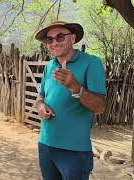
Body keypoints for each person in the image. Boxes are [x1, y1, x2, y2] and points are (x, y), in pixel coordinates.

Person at [35, 20, 106, 180]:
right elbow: (41, 97)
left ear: (72, 39)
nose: (54, 42)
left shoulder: (91, 63)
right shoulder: (49, 66)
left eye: (60, 37)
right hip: (45, 145)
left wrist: (76, 87)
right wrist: (40, 106)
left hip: (74, 151)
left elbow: (100, 107)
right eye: (50, 39)